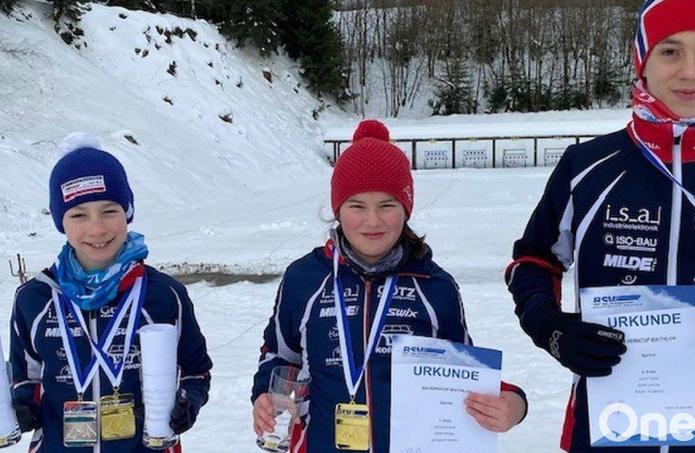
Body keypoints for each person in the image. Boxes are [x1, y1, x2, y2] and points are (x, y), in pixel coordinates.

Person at [507, 0, 695, 452]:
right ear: (641, 62)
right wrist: (551, 327)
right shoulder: (586, 167)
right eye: (669, 51)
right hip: (611, 411)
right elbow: (533, 261)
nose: (690, 72)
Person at [251, 120, 529, 452]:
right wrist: (265, 396)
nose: (372, 221)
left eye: (387, 205)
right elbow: (279, 355)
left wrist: (513, 402)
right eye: (357, 206)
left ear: (406, 209)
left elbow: (462, 378)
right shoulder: (304, 279)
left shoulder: (435, 287)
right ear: (338, 210)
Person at [10, 143, 213, 452]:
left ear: (127, 213)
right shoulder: (34, 298)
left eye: (109, 211)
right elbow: (26, 373)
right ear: (60, 222)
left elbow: (195, 369)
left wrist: (189, 400)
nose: (97, 228)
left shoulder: (163, 295)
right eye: (78, 215)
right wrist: (25, 402)